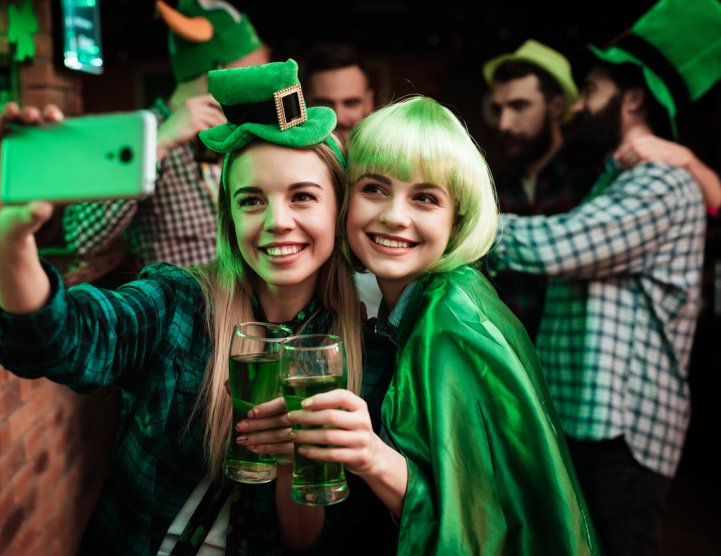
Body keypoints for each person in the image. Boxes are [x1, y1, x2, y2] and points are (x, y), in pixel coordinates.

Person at [0, 59, 396, 555]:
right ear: (230, 216)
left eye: (302, 197)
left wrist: (293, 460)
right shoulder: (179, 305)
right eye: (251, 200)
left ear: (338, 209)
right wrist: (5, 243)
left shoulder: (370, 357)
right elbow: (63, 339)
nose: (277, 221)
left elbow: (316, 545)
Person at [276, 95, 600, 555]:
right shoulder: (420, 305)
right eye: (374, 188)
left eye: (425, 198)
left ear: (458, 218)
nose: (394, 215)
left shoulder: (451, 321)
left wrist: (370, 454)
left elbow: (479, 528)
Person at [485, 0, 721, 553]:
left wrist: (447, 210)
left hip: (623, 434)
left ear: (632, 97)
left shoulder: (659, 183)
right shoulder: (616, 181)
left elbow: (557, 245)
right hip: (588, 426)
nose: (578, 107)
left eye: (590, 91)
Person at [61, 0, 270, 270]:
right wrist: (156, 146)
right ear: (218, 71)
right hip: (181, 306)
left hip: (241, 304)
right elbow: (80, 238)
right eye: (252, 74)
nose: (259, 87)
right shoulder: (138, 137)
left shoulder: (235, 131)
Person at [482, 39, 601, 339]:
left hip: (574, 362)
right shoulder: (489, 188)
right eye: (497, 109)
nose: (504, 124)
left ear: (557, 106)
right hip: (512, 365)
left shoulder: (593, 180)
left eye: (519, 106)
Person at [302, 41, 381, 317]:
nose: (338, 118)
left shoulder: (392, 169)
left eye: (351, 102)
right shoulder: (286, 172)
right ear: (304, 105)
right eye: (324, 105)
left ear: (369, 102)